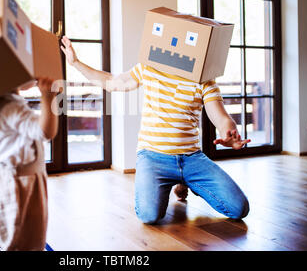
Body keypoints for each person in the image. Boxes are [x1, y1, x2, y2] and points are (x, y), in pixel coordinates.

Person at [60, 36, 250, 224]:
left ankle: (187, 181)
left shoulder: (204, 79)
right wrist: (75, 62)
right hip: (153, 157)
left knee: (238, 208)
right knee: (149, 216)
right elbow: (112, 81)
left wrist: (229, 132)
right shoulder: (150, 67)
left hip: (192, 158)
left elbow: (220, 116)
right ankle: (172, 182)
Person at [0, 77, 58, 250]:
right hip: (18, 188)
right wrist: (48, 97)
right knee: (24, 242)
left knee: (24, 239)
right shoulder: (11, 108)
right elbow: (45, 131)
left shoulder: (3, 103)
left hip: (14, 182)